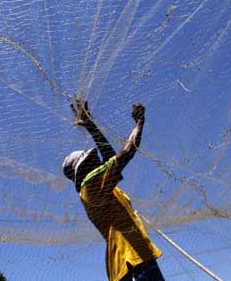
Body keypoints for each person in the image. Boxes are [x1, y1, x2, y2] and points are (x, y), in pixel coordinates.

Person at [62, 99, 165, 281]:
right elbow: (125, 154)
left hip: (134, 259)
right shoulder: (91, 186)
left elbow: (110, 156)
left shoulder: (102, 188)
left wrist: (90, 125)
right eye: (92, 160)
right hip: (131, 262)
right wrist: (139, 123)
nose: (98, 160)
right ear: (84, 170)